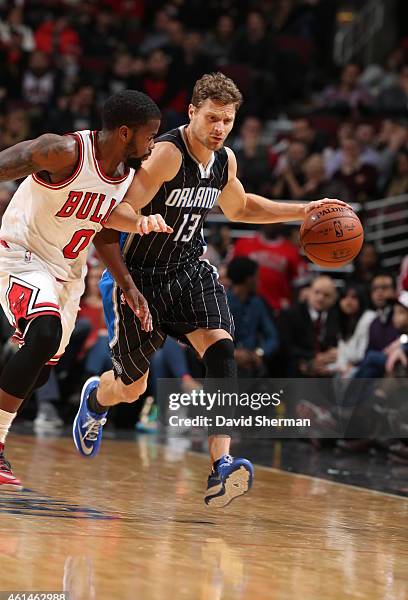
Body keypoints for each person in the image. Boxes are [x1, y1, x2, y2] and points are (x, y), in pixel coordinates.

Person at [73, 72, 351, 508]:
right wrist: (141, 221)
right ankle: (96, 397)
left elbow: (239, 206)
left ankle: (221, 464)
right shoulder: (167, 154)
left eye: (227, 120)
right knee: (131, 388)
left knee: (221, 350)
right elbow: (119, 208)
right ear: (192, 113)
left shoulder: (225, 161)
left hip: (188, 269)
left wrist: (303, 211)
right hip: (139, 275)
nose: (220, 128)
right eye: (212, 118)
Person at [0, 90, 173, 490]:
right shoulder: (62, 152)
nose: (152, 146)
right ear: (126, 133)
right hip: (21, 253)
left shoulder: (126, 176)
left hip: (69, 273)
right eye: (150, 137)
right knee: (42, 334)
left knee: (39, 375)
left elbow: (105, 230)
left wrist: (129, 284)